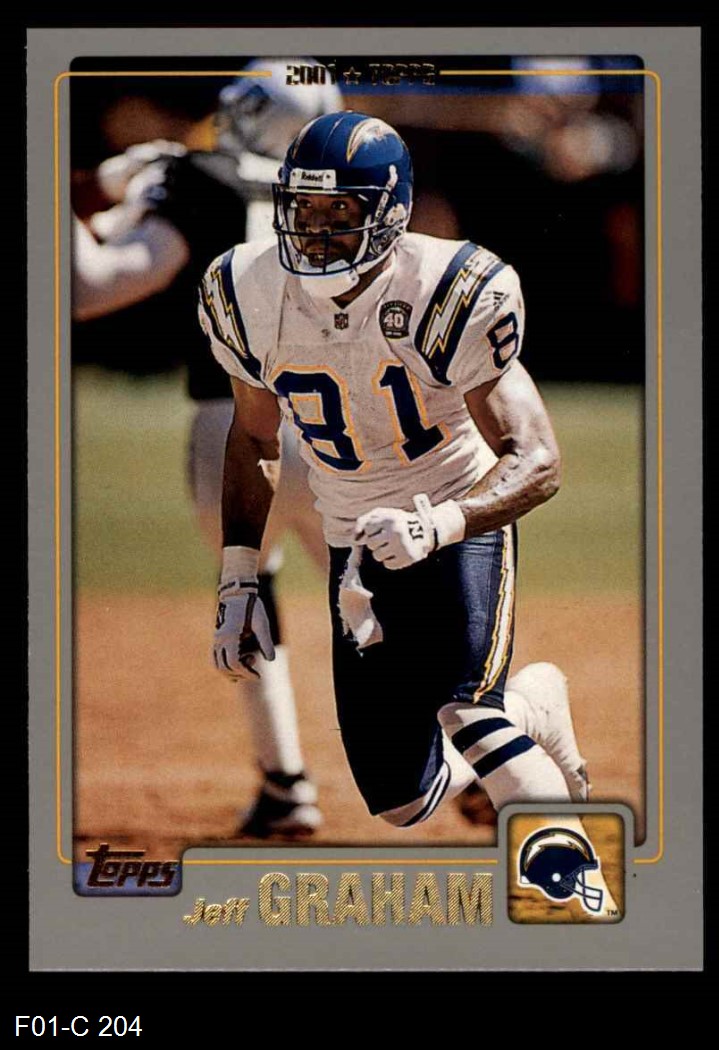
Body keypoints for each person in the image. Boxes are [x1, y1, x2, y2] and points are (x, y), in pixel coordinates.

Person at [200, 110, 589, 830]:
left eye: (339, 212)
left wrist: (442, 523)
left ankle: (569, 891)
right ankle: (534, 706)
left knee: (471, 715)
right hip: (350, 532)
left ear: (389, 214)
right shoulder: (246, 289)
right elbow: (253, 434)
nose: (316, 231)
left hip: (454, 506)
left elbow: (537, 459)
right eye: (304, 209)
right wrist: (238, 574)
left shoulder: (448, 286)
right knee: (403, 800)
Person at [73, 60, 344, 838]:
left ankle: (286, 785)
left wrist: (68, 196)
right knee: (378, 600)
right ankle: (474, 760)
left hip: (232, 419)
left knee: (248, 590)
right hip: (341, 420)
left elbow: (92, 287)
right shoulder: (341, 190)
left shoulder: (199, 179)